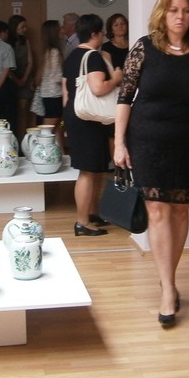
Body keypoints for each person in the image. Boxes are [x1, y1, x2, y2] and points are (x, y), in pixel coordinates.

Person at [114, 0, 189, 327]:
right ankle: (168, 290)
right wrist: (119, 143)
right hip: (147, 140)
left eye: (186, 11)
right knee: (157, 210)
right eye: (174, 10)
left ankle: (168, 279)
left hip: (188, 141)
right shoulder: (144, 47)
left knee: (180, 210)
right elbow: (124, 97)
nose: (180, 17)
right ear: (163, 13)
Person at [63, 14, 122, 237]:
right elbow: (98, 88)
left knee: (95, 169)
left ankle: (92, 213)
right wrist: (116, 78)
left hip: (77, 115)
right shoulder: (93, 57)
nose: (104, 35)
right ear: (95, 34)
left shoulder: (72, 57)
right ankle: (82, 222)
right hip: (88, 119)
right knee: (88, 171)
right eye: (102, 32)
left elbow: (66, 91)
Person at [34, 19, 65, 151]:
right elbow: (57, 77)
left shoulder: (47, 51)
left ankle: (62, 155)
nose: (62, 30)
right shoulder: (55, 52)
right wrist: (70, 81)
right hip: (54, 95)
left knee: (57, 128)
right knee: (48, 131)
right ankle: (40, 154)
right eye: (60, 29)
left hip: (47, 94)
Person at [8, 14, 35, 130]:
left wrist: (24, 78)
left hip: (25, 77)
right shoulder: (8, 43)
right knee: (12, 111)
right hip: (11, 77)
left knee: (23, 111)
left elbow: (30, 61)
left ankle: (23, 137)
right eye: (22, 27)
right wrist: (16, 80)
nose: (25, 29)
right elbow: (6, 66)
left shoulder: (26, 41)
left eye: (25, 26)